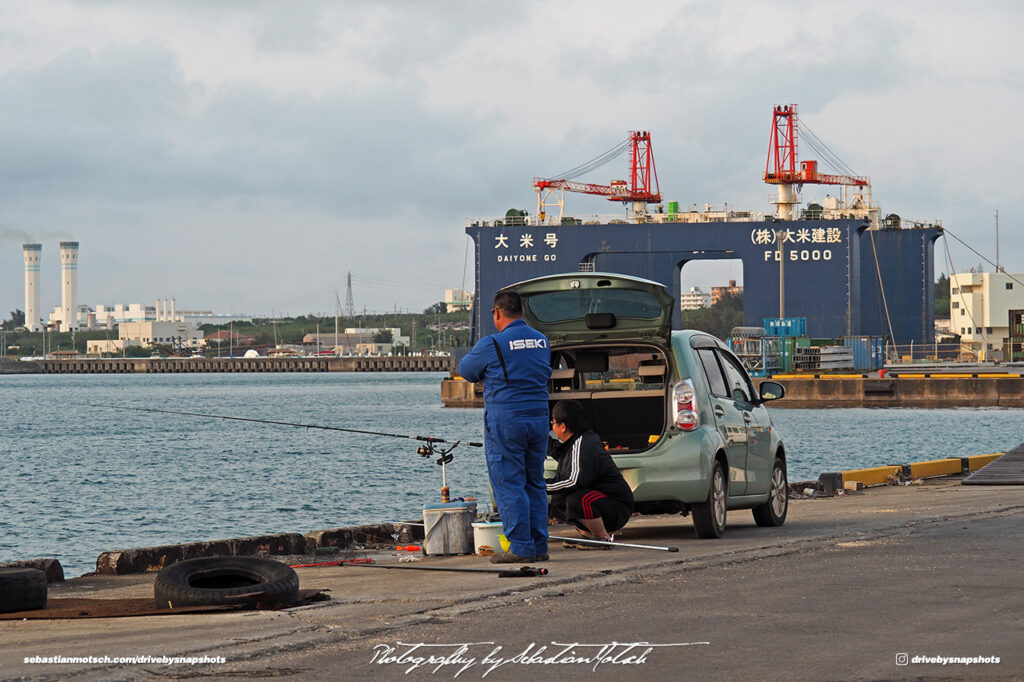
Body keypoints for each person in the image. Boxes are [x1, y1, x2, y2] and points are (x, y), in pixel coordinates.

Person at [459, 291, 552, 563]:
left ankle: (521, 547)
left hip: (507, 419)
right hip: (538, 418)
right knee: (534, 481)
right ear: (522, 311)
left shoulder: (492, 344)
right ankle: (539, 544)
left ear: (497, 313)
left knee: (509, 483)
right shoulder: (541, 340)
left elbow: (466, 370)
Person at [547, 400, 634, 548]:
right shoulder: (574, 441)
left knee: (576, 500)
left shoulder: (584, 443)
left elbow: (573, 481)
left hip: (616, 506)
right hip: (601, 500)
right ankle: (587, 534)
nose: (552, 427)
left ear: (563, 426)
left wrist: (538, 485)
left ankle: (602, 537)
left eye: (553, 423)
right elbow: (558, 451)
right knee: (558, 501)